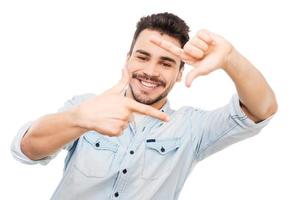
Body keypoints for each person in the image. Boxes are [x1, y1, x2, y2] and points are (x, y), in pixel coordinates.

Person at [11, 12, 277, 200]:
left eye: (166, 62)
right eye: (143, 57)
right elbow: (26, 150)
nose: (150, 71)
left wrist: (230, 58)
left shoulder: (191, 128)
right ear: (128, 59)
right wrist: (78, 119)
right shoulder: (86, 107)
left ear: (179, 71)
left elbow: (260, 110)